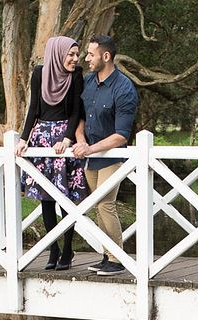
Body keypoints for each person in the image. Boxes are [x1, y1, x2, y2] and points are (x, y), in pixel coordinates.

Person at [15, 36, 88, 271]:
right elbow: (33, 109)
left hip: (63, 138)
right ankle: (52, 248)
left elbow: (77, 110)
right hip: (42, 138)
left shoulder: (76, 76)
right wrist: (24, 138)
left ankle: (67, 248)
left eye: (77, 55)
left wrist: (67, 138)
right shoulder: (39, 73)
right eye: (71, 55)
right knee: (46, 198)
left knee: (66, 197)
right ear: (58, 53)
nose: (75, 59)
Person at [71, 34, 139, 277]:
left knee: (104, 203)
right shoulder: (88, 82)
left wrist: (90, 148)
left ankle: (118, 259)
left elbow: (121, 135)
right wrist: (80, 140)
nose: (86, 58)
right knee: (97, 206)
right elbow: (78, 116)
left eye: (91, 54)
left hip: (112, 156)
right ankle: (107, 256)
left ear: (106, 56)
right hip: (89, 156)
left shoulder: (124, 88)